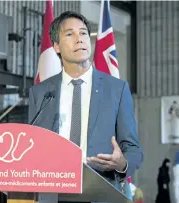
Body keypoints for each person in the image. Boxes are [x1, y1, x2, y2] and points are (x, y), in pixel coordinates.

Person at [28, 11, 143, 203]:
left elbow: (134, 150)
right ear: (56, 46)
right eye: (69, 34)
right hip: (53, 194)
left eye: (83, 33)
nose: (79, 39)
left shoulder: (116, 89)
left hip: (100, 194)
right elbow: (31, 147)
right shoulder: (40, 94)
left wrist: (122, 163)